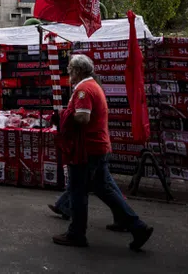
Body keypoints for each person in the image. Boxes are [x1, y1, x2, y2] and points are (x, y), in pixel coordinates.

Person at [52, 54, 153, 250]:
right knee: (105, 190)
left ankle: (76, 234)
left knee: (78, 192)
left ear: (79, 71)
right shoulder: (92, 86)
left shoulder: (83, 89)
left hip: (87, 149)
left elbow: (82, 118)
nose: (69, 74)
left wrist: (64, 115)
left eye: (71, 70)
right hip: (97, 147)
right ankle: (136, 226)